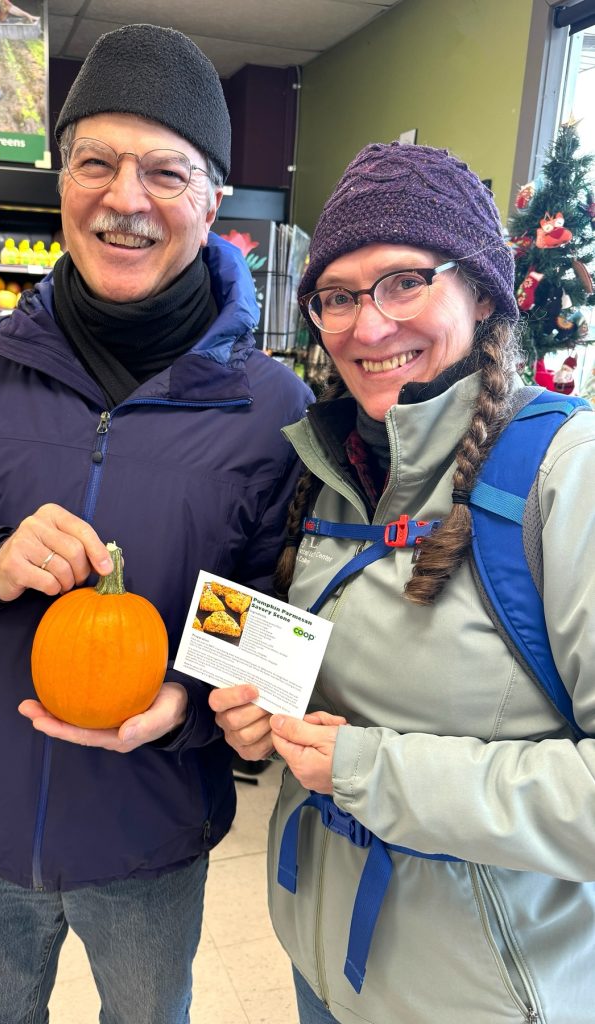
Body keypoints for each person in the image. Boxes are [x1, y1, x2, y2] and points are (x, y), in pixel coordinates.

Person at [0, 23, 312, 1024]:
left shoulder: (272, 408)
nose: (125, 199)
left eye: (163, 171)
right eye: (95, 161)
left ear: (213, 201)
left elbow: (280, 608)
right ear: (61, 181)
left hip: (150, 829)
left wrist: (189, 694)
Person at [211, 142, 595, 1024]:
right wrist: (262, 716)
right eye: (336, 296)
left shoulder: (564, 476)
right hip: (324, 964)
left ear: (481, 293)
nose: (365, 325)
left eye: (401, 282)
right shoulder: (329, 467)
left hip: (483, 997)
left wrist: (367, 769)